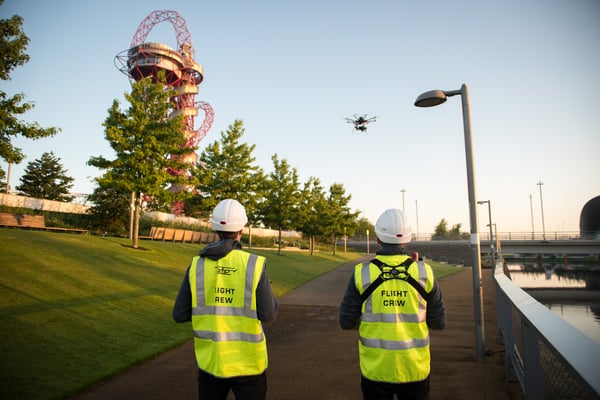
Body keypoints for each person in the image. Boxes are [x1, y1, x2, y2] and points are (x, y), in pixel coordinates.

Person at [173, 199, 278, 400]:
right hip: (248, 365)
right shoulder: (253, 264)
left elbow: (179, 315)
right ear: (242, 229)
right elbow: (269, 314)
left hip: (211, 363)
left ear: (215, 228)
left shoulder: (196, 265)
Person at [339, 208, 446, 400]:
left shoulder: (361, 273)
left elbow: (346, 322)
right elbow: (439, 323)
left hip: (375, 370)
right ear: (408, 238)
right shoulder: (424, 273)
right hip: (415, 369)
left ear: (378, 238)